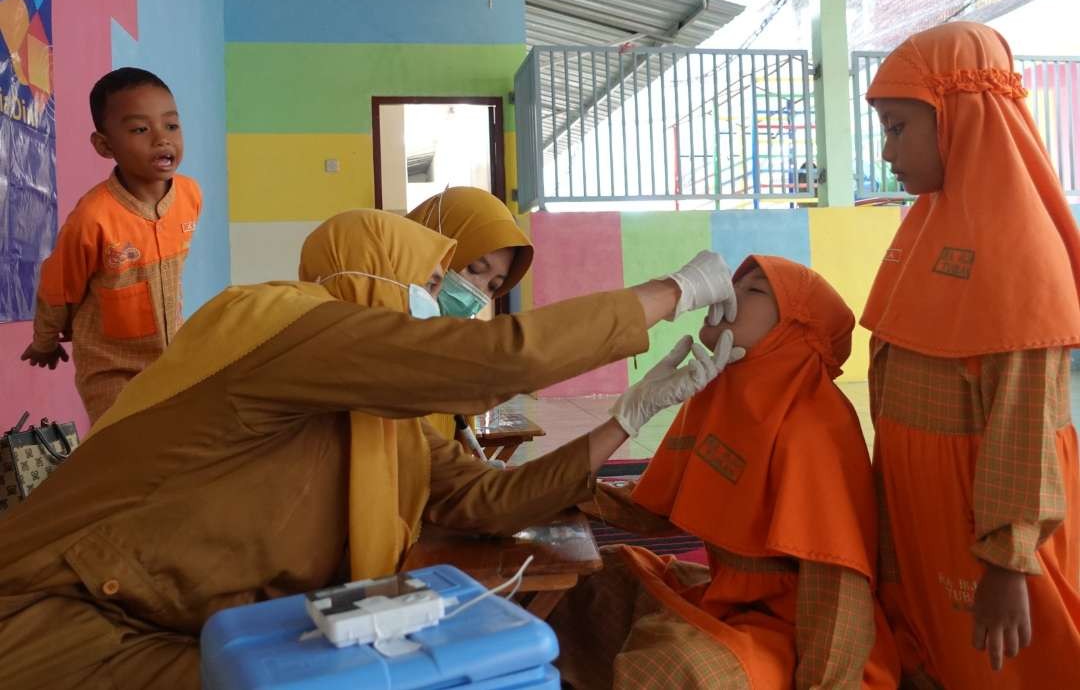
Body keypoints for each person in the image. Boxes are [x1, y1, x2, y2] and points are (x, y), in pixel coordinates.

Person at [0, 209, 741, 690]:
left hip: (174, 622)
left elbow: (485, 500)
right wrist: (673, 290)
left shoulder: (395, 421)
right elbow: (488, 360)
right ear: (366, 268)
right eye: (433, 281)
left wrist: (627, 414)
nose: (453, 300)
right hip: (59, 617)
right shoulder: (276, 325)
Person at [550, 256, 900, 690]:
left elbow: (836, 588)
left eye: (754, 291)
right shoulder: (720, 394)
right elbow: (658, 506)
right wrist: (549, 492)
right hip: (727, 600)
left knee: (674, 663)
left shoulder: (814, 425)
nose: (730, 295)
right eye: (736, 283)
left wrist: (826, 684)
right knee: (593, 579)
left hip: (795, 633)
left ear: (794, 330)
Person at [863, 21, 1080, 688]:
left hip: (989, 522)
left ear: (958, 115)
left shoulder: (1019, 248)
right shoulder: (928, 224)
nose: (887, 149)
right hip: (927, 504)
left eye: (899, 127)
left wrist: (1009, 566)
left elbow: (1021, 427)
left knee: (1016, 666)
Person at [20, 67, 202, 423]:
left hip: (170, 360)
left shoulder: (190, 196)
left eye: (171, 126)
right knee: (122, 451)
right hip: (112, 370)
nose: (161, 139)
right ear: (105, 145)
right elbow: (58, 287)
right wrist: (45, 340)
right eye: (139, 129)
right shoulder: (93, 218)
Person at [406, 186, 533, 439]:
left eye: (494, 286)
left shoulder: (454, 352)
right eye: (475, 268)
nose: (477, 291)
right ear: (431, 245)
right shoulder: (369, 328)